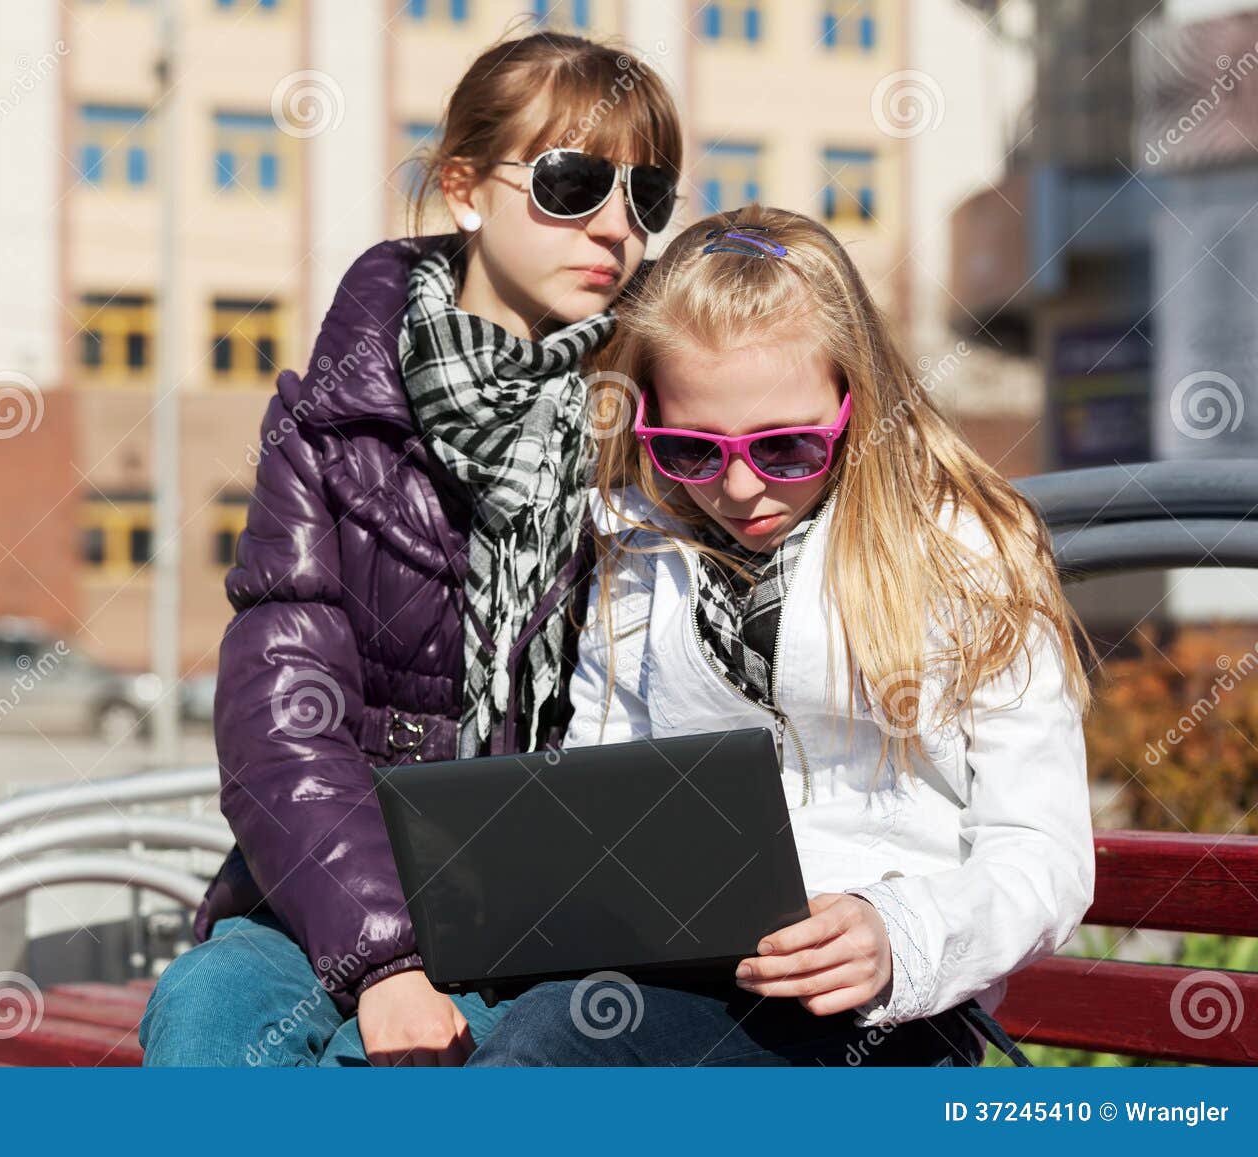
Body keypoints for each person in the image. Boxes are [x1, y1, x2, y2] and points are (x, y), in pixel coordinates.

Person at [139, 30, 683, 1066]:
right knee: (208, 1011)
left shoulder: (665, 418)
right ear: (466, 187)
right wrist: (384, 960)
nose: (616, 227)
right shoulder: (334, 423)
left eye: (647, 196)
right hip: (351, 895)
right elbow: (279, 722)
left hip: (575, 915)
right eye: (573, 183)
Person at [468, 206, 1096, 1067]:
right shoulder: (637, 542)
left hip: (887, 1016)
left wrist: (896, 934)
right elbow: (598, 790)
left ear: (857, 398)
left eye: (789, 447)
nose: (737, 487)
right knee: (537, 1042)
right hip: (674, 989)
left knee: (547, 1055)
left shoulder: (970, 548)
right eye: (688, 448)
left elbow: (1044, 853)